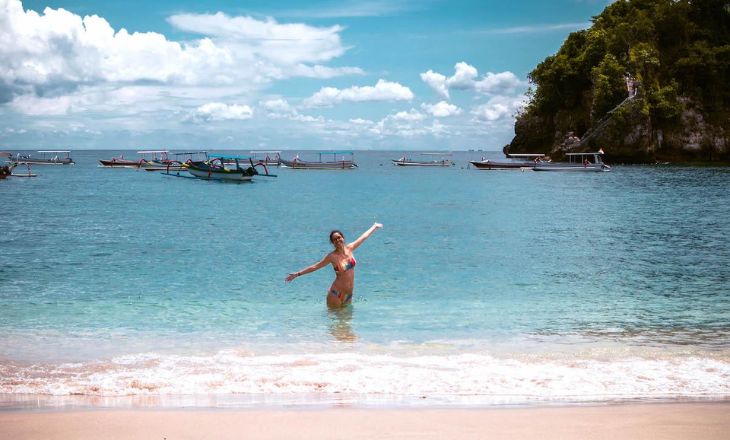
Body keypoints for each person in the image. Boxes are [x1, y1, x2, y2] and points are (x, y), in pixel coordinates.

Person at [285, 223, 383, 308]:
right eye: (334, 239)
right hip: (335, 294)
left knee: (346, 326)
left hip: (348, 295)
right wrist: (297, 274)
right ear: (332, 243)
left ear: (343, 238)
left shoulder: (350, 248)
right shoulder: (332, 256)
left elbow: (363, 237)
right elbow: (315, 266)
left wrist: (374, 227)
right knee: (334, 325)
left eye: (339, 237)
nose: (337, 240)